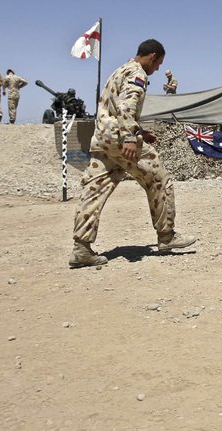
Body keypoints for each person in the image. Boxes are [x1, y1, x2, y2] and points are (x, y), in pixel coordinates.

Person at [69, 39, 196, 268]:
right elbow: (127, 105)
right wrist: (130, 136)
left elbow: (114, 108)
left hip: (103, 139)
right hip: (120, 139)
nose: (157, 69)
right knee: (159, 179)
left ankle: (81, 249)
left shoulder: (120, 70)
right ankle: (166, 236)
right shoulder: (137, 74)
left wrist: (140, 131)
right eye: (158, 64)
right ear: (152, 56)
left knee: (94, 190)